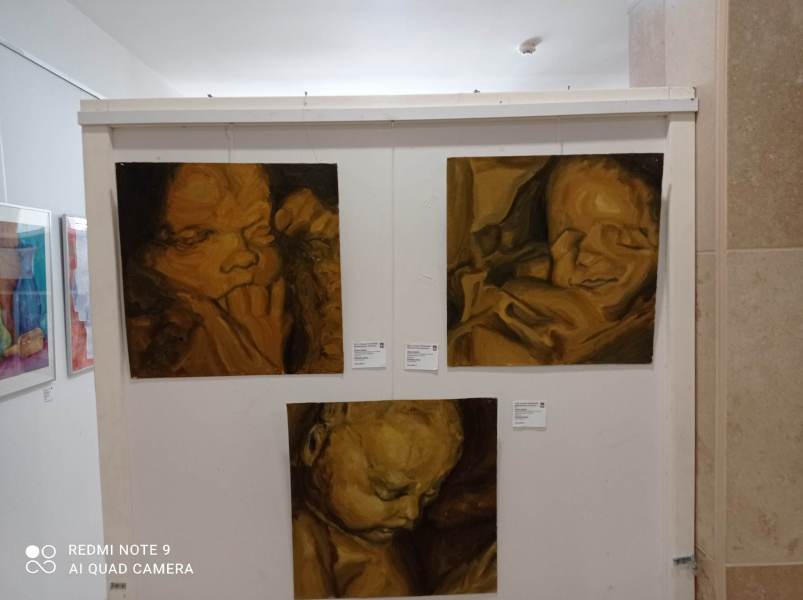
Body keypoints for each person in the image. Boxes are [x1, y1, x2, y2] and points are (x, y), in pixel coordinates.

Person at [117, 162, 342, 377]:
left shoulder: (308, 299)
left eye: (260, 230)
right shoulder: (143, 340)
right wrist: (260, 367)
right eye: (193, 238)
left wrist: (331, 246)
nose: (243, 256)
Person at [448, 155, 661, 365]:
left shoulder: (656, 333)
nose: (585, 257)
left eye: (619, 239)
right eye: (567, 241)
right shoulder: (514, 313)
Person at [289, 400, 496, 598]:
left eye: (429, 493)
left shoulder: (387, 548)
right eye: (388, 491)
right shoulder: (302, 544)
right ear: (315, 445)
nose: (413, 513)